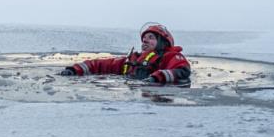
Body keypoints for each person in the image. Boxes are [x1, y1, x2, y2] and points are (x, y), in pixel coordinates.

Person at [60, 23, 192, 86]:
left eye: (151, 37)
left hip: (156, 99)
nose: (145, 40)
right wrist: (75, 69)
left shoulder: (171, 57)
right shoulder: (132, 60)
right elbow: (102, 64)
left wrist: (157, 78)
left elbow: (182, 70)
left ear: (162, 42)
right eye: (144, 38)